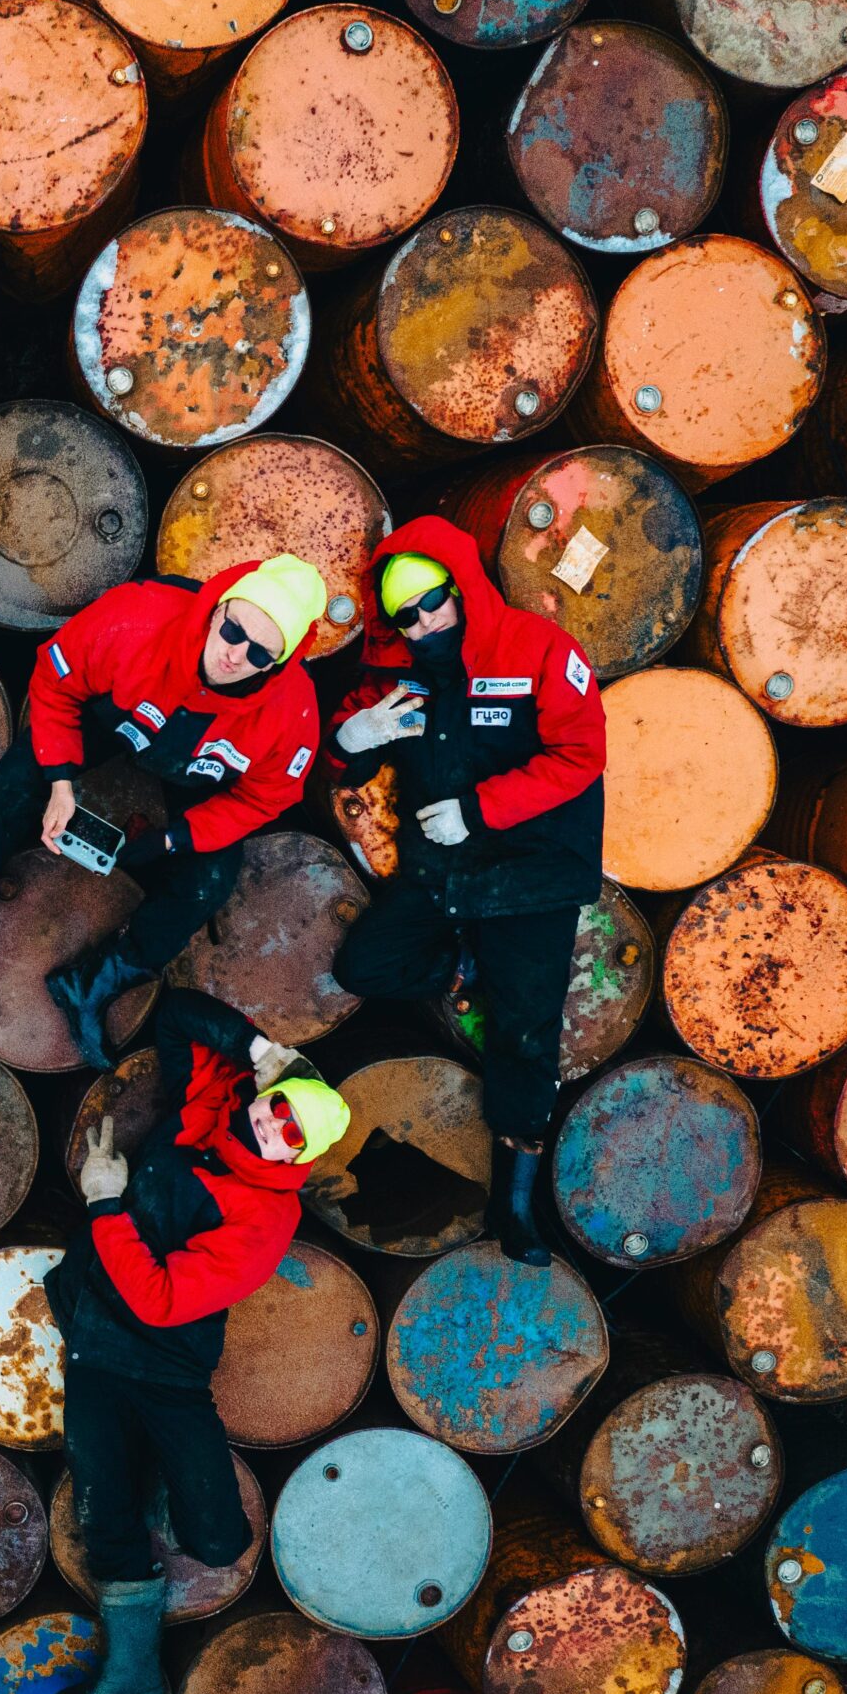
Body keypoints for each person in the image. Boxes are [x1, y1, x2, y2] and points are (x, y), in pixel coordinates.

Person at [0, 554, 327, 1069]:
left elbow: (265, 797)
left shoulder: (293, 713)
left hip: (196, 772)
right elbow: (56, 681)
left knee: (211, 880)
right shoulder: (137, 617)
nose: (235, 655)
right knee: (16, 782)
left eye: (259, 652)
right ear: (219, 609)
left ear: (278, 663)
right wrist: (60, 782)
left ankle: (94, 983)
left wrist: (175, 838)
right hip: (116, 720)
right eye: (233, 630)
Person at [41, 986, 349, 1694]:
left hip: (169, 1366)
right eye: (277, 1107)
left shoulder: (266, 1218)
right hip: (96, 1338)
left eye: (290, 1134)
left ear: (301, 1155)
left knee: (216, 1539)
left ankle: (160, 1481)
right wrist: (264, 1051)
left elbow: (160, 1299)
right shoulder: (216, 1105)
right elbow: (178, 1014)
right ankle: (133, 1671)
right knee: (101, 1506)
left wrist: (105, 1202)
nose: (271, 1127)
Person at [323, 515, 605, 1267]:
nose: (422, 624)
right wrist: (350, 740)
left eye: (432, 603)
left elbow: (580, 754)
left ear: (463, 587)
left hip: (530, 872)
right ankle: (460, 965)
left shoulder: (539, 650)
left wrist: (478, 810)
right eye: (405, 616)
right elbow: (348, 742)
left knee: (525, 1033)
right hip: (444, 871)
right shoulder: (402, 672)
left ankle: (515, 1206)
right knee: (363, 966)